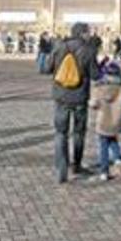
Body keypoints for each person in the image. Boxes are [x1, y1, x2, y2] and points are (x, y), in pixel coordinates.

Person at [47, 22, 100, 183]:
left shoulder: (59, 47)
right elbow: (95, 75)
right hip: (80, 97)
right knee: (78, 132)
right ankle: (76, 165)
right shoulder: (88, 50)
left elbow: (48, 68)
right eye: (88, 32)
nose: (89, 35)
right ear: (83, 33)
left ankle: (61, 166)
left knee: (60, 132)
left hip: (61, 96)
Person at [91, 60, 121, 181]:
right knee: (113, 139)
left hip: (103, 120)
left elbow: (94, 104)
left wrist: (92, 103)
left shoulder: (100, 87)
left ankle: (104, 171)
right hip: (116, 120)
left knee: (103, 145)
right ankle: (118, 159)